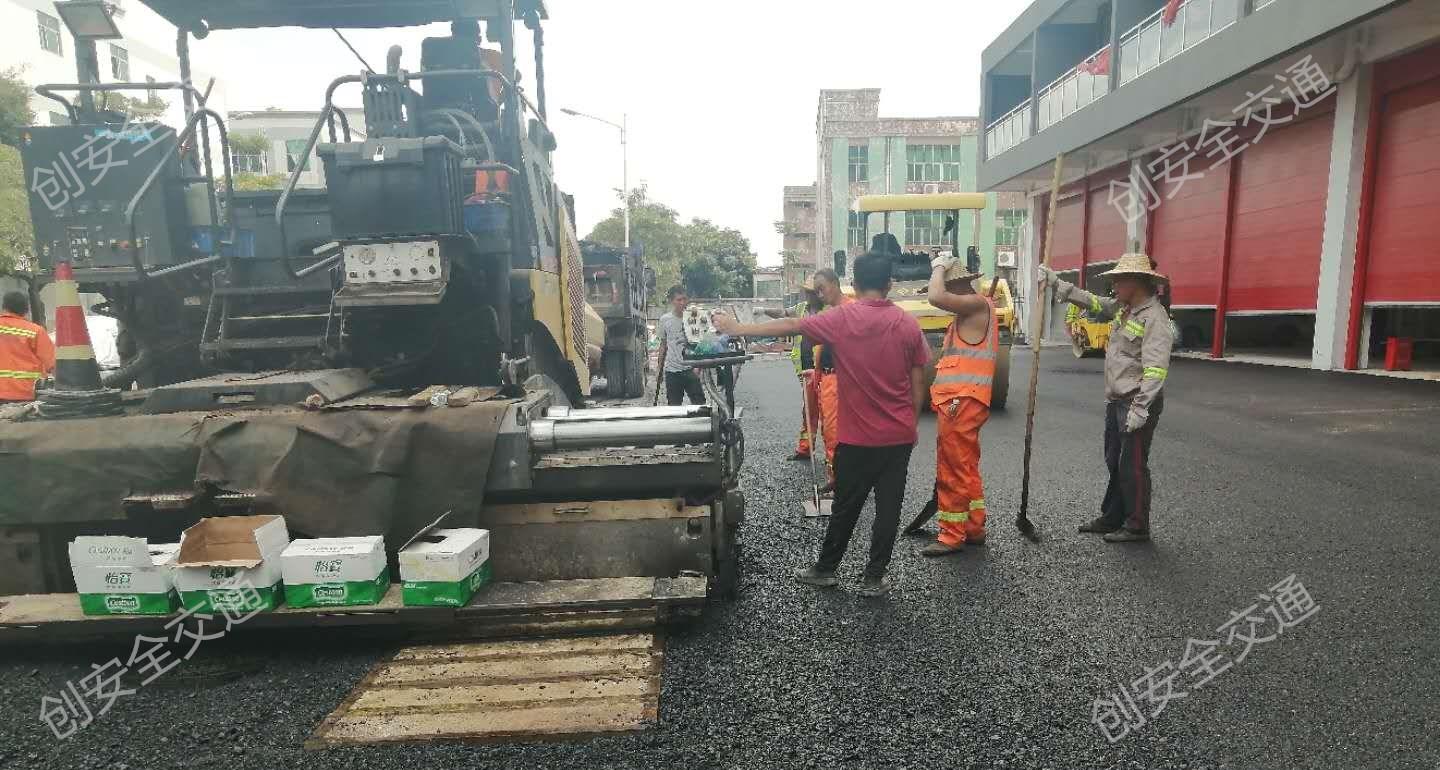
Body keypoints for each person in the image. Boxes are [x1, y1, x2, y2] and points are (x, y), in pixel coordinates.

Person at [714, 253, 928, 597]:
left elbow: (792, 326)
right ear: (889, 284)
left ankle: (826, 570)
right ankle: (874, 578)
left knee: (846, 507)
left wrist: (738, 329)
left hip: (857, 439)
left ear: (854, 284)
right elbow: (918, 381)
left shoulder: (842, 318)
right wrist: (911, 425)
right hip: (898, 437)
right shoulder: (908, 324)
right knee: (888, 509)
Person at [1039, 253, 1173, 543]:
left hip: (1136, 402)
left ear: (1136, 282)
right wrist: (1057, 284)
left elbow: (1155, 370)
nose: (1114, 285)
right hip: (1118, 401)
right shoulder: (1125, 309)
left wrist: (1140, 408)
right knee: (1115, 461)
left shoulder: (1154, 318)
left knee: (1132, 465)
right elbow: (1093, 302)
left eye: (1118, 280)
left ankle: (1137, 525)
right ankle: (1113, 517)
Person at [919, 254, 998, 557]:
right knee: (965, 465)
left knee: (952, 468)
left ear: (955, 285)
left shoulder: (976, 305)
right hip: (962, 399)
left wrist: (938, 266)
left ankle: (951, 534)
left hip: (960, 401)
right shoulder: (970, 311)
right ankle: (973, 527)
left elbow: (936, 296)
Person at [765, 279, 824, 461]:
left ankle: (834, 456)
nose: (808, 295)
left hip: (824, 369)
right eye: (807, 291)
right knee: (809, 410)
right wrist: (764, 310)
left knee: (827, 411)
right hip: (805, 369)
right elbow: (783, 314)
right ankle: (805, 449)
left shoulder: (828, 311)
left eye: (811, 292)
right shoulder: (801, 308)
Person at [810, 268, 851, 493]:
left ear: (835, 284)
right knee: (828, 431)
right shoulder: (831, 312)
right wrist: (816, 373)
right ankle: (836, 477)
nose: (819, 294)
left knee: (836, 432)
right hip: (826, 379)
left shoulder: (850, 310)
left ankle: (843, 481)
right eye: (816, 291)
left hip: (839, 380)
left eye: (822, 288)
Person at [0, 291, 55, 403]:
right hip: (25, 395)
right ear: (26, 309)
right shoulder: (35, 331)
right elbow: (53, 364)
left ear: (4, 307)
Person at [656, 285, 705, 406]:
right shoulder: (665, 320)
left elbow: (700, 344)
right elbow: (663, 345)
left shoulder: (693, 318)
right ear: (672, 301)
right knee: (674, 407)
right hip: (672, 371)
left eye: (684, 299)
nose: (682, 302)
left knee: (700, 405)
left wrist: (699, 367)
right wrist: (659, 369)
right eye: (679, 300)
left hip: (690, 369)